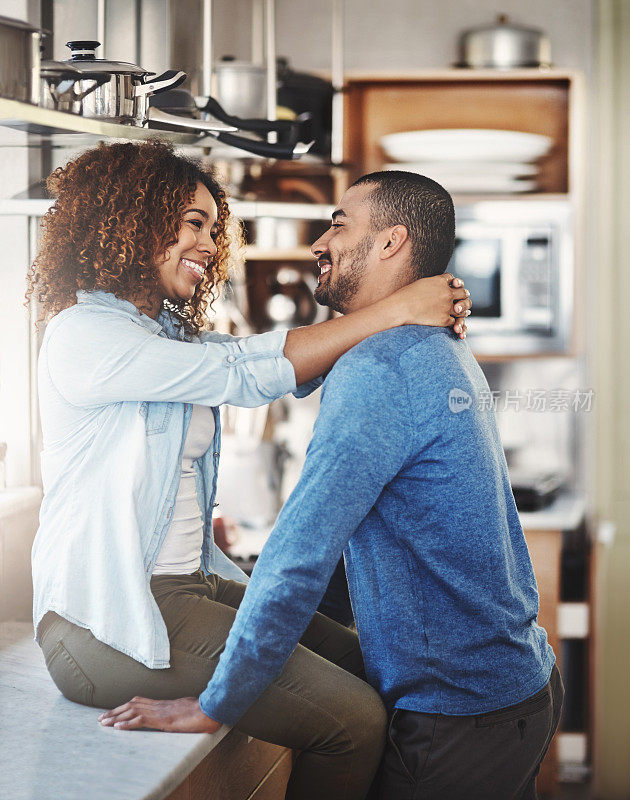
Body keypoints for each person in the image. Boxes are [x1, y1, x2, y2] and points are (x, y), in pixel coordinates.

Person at [27, 142, 472, 800]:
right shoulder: (83, 334)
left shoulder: (163, 336)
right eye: (192, 223)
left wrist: (405, 311)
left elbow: (269, 361)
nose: (209, 243)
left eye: (214, 227)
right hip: (104, 625)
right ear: (132, 220)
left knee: (371, 662)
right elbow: (245, 372)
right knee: (353, 722)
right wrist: (398, 308)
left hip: (188, 589)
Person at [103, 171, 563, 800]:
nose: (320, 242)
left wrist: (219, 704)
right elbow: (274, 366)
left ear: (390, 243)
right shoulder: (425, 345)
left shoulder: (381, 370)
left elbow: (295, 558)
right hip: (513, 687)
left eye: (340, 223)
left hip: (457, 717)